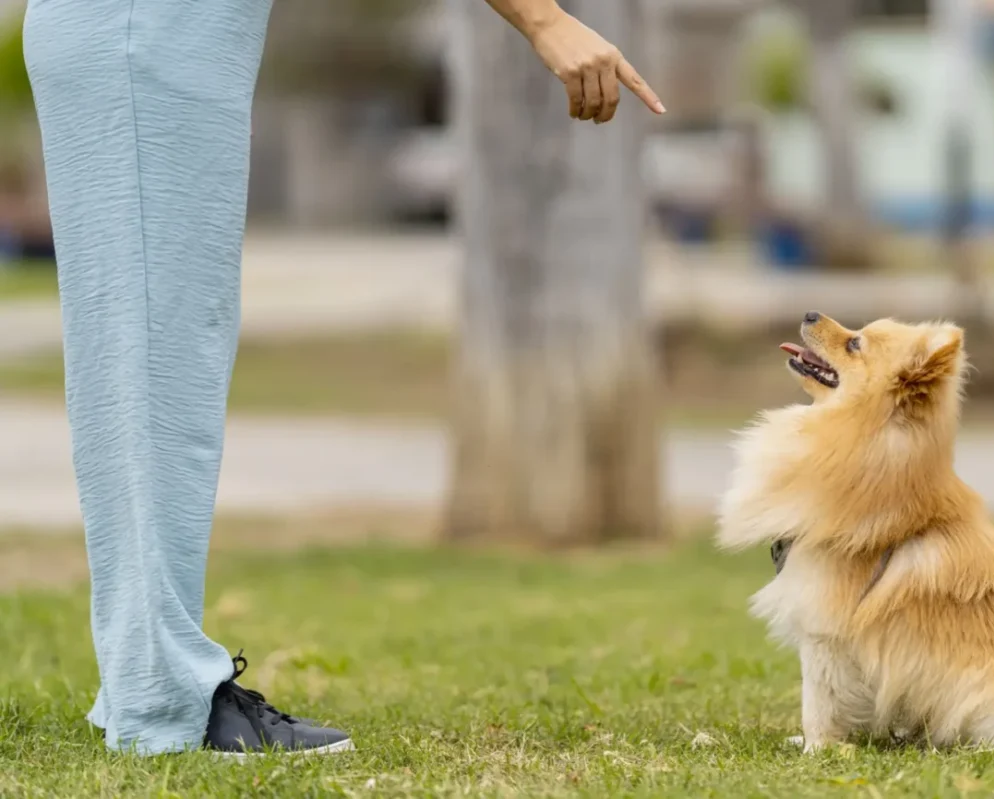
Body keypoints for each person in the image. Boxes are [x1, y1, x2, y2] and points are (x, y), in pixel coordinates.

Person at [21, 0, 662, 757]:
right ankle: (161, 698)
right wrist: (544, 19)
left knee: (147, 362)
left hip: (145, 38)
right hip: (149, 37)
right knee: (153, 367)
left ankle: (148, 681)